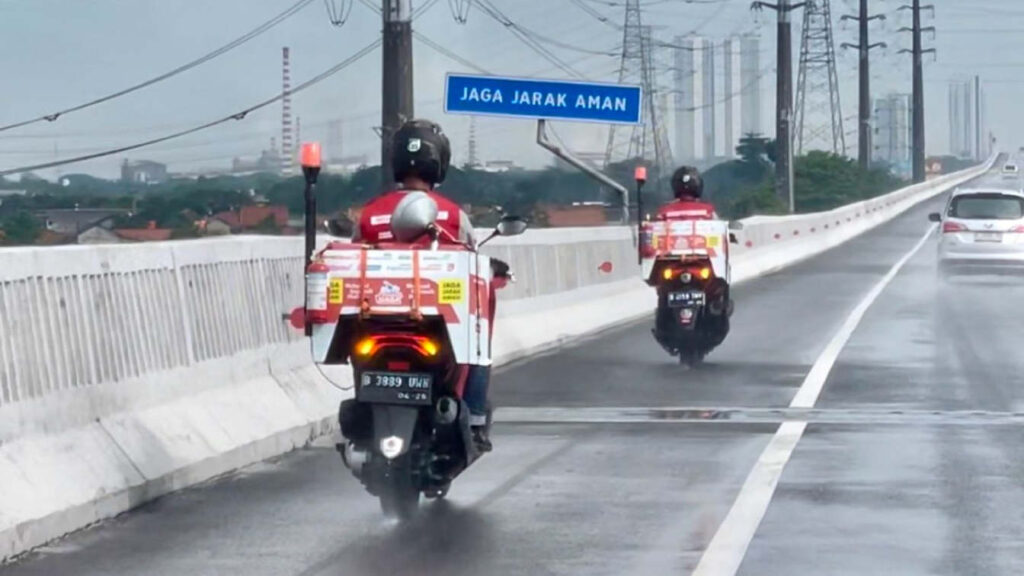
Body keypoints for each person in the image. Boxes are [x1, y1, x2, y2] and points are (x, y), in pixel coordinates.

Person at [353, 119, 497, 451]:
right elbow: (472, 260)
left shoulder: (369, 214)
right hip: (436, 324)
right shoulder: (452, 215)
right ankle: (473, 413)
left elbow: (354, 259)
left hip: (374, 317)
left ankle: (364, 402)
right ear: (439, 163)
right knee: (478, 335)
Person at [655, 166, 731, 344]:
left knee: (662, 292)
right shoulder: (707, 210)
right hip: (702, 262)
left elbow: (655, 236)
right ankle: (717, 308)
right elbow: (719, 231)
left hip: (670, 263)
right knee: (720, 286)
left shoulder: (664, 212)